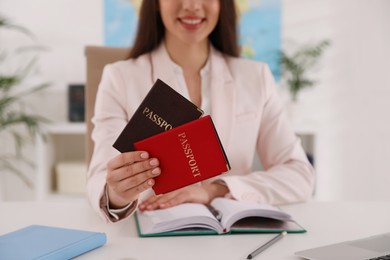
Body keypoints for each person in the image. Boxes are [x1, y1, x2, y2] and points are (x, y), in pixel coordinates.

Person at [87, 0, 315, 223]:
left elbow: (300, 175)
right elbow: (100, 177)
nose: (192, 5)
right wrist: (118, 195)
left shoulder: (256, 77)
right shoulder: (119, 78)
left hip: (233, 237)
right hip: (151, 233)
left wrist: (215, 189)